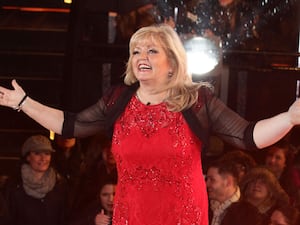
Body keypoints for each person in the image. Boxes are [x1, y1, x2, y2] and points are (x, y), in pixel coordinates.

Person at [1, 24, 300, 224]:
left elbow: (249, 136)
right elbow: (69, 125)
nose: (141, 57)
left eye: (151, 51)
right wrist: (23, 102)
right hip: (132, 215)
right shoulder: (117, 100)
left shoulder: (196, 101)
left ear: (172, 61)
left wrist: (289, 118)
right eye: (136, 51)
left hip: (182, 217)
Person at [3, 135, 69, 225]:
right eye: (37, 153)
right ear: (28, 157)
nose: (43, 158)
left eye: (47, 153)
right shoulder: (13, 186)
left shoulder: (60, 185)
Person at [206, 159, 262, 225]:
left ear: (228, 182)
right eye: (207, 179)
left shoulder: (249, 214)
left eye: (212, 180)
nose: (206, 184)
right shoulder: (205, 205)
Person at [264, 139, 300, 207]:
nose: (272, 160)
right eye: (270, 155)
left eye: (278, 158)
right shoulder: (256, 177)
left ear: (285, 163)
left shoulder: (290, 186)